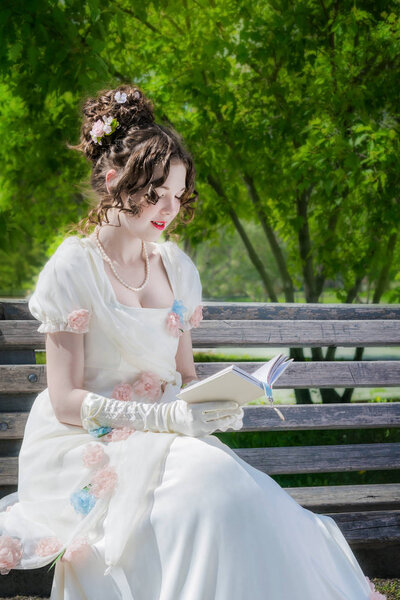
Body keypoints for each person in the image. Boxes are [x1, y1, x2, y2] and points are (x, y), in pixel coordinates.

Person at [0, 84, 384, 600]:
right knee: (212, 492)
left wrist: (217, 403)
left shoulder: (176, 268)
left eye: (178, 197)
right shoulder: (72, 268)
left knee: (240, 494)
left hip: (171, 436)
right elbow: (66, 401)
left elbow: (185, 378)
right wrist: (163, 418)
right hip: (88, 443)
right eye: (156, 195)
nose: (169, 210)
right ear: (114, 181)